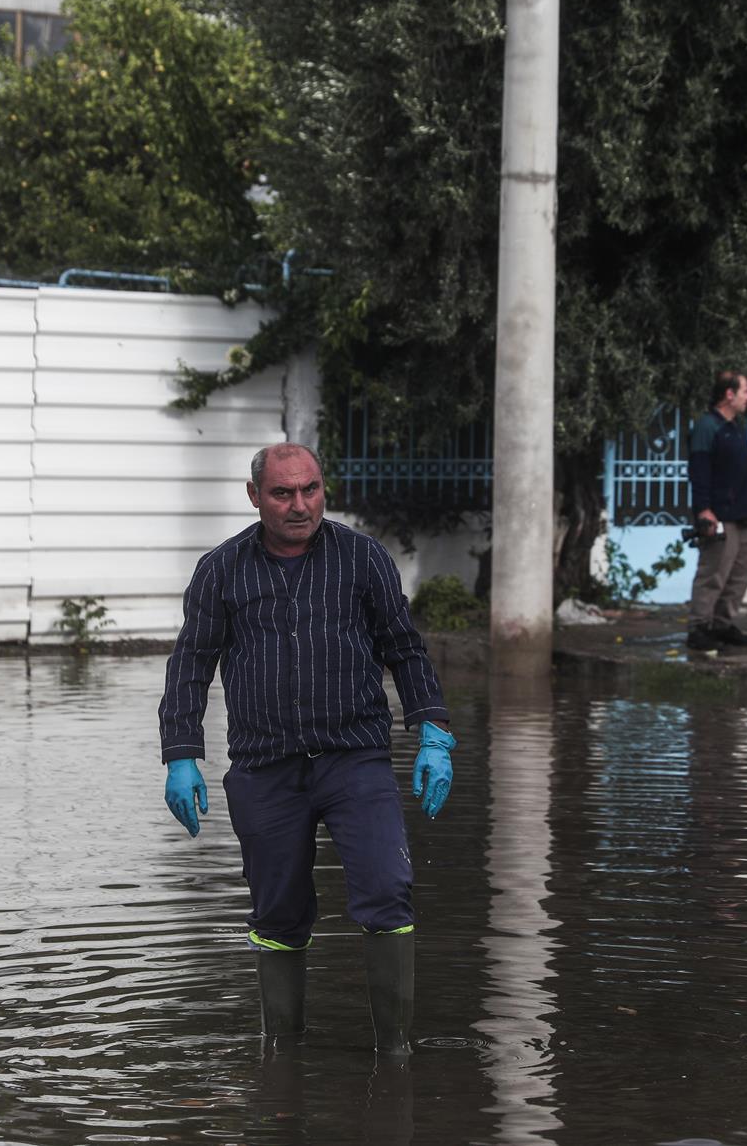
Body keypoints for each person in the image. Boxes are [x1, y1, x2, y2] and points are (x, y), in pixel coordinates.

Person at [157, 442, 455, 1057]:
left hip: (355, 758)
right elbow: (191, 664)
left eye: (311, 490)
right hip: (265, 767)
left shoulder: (362, 558)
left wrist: (433, 730)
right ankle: (281, 1051)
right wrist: (181, 752)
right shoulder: (222, 570)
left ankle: (394, 1053)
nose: (300, 505)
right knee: (278, 911)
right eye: (283, 493)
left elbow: (404, 646)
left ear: (324, 488)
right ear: (254, 496)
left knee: (386, 887)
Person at [686, 370, 747, 651]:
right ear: (729, 394)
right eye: (745, 391)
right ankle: (699, 628)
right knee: (713, 574)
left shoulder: (734, 427)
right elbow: (700, 471)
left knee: (739, 573)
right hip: (720, 516)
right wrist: (704, 509)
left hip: (743, 515)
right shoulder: (708, 427)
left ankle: (722, 624)